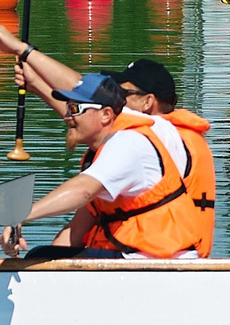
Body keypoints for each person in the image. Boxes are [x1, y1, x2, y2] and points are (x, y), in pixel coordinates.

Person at [0, 73, 209, 261]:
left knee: (42, 256)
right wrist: (28, 265)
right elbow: (76, 230)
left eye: (75, 109)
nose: (66, 117)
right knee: (42, 255)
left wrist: (20, 214)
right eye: (67, 108)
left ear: (106, 115)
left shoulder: (128, 144)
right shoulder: (101, 155)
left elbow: (82, 190)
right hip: (127, 257)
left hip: (155, 261)